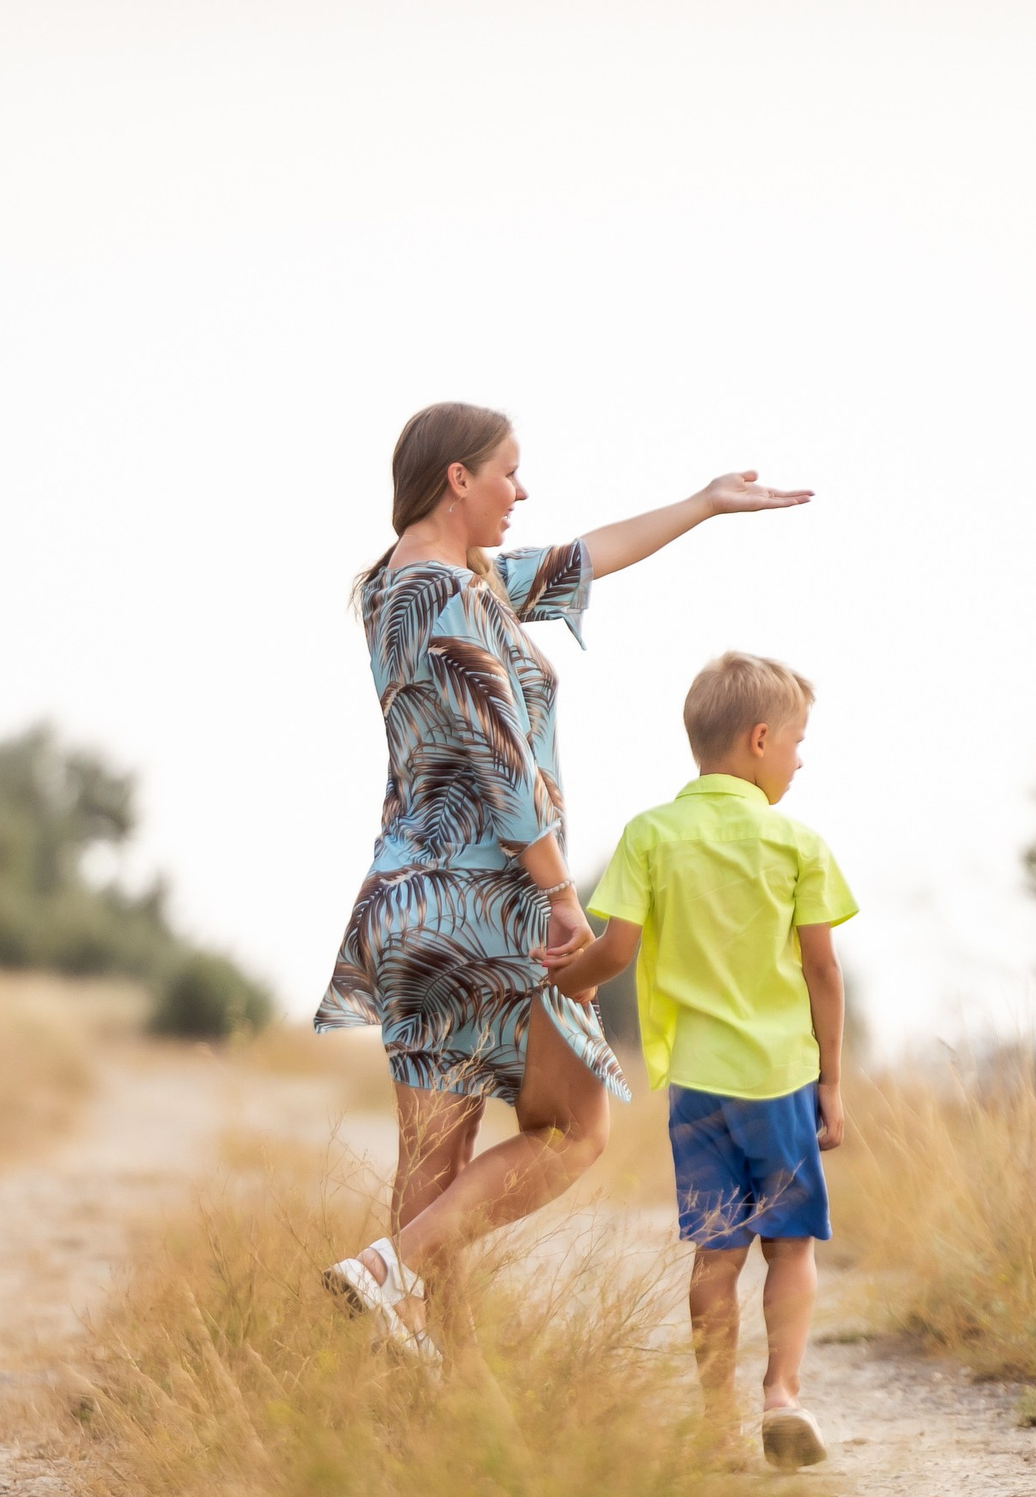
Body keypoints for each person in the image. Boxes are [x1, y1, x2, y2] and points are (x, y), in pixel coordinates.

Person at [316, 403, 810, 1363]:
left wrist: (705, 503)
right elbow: (501, 756)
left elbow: (590, 554)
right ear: (458, 478)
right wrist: (556, 891)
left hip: (406, 904)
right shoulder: (457, 597)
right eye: (509, 471)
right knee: (576, 1130)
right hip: (490, 894)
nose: (521, 490)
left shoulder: (407, 585)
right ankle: (387, 1268)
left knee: (437, 1159)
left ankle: (434, 1392)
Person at [546, 652, 855, 1468]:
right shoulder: (796, 842)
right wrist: (830, 1082)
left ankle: (717, 1423)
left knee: (715, 1255)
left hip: (698, 1087)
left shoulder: (650, 833)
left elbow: (613, 952)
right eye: (796, 742)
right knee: (790, 1247)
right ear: (760, 740)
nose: (800, 758)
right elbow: (823, 971)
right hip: (781, 1081)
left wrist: (558, 985)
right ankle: (781, 1395)